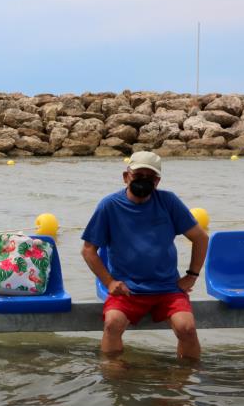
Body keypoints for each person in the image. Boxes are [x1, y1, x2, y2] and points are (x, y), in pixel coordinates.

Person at [80, 151, 208, 360]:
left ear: (157, 181)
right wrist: (110, 282)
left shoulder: (168, 202)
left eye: (150, 177)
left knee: (187, 328)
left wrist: (192, 275)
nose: (144, 181)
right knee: (112, 324)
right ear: (126, 176)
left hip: (167, 287)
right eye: (139, 175)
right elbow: (88, 250)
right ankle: (114, 378)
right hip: (127, 290)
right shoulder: (109, 205)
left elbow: (201, 238)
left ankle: (187, 381)